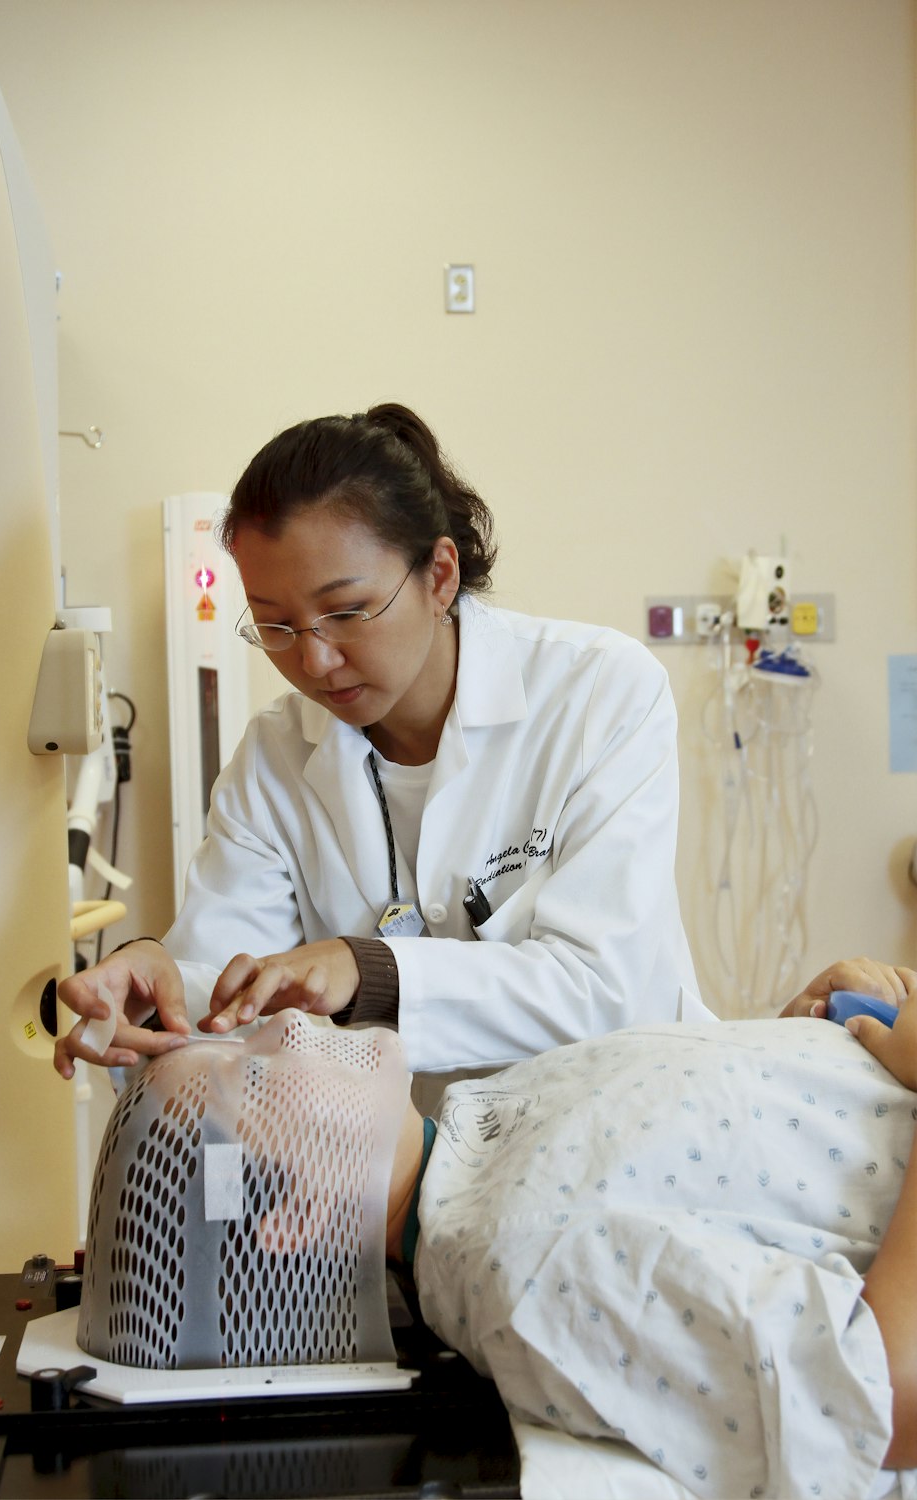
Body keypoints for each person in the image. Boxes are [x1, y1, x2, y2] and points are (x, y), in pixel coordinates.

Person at [56, 402, 712, 1096]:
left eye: (345, 612)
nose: (313, 659)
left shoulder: (599, 692)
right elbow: (231, 993)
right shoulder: (274, 759)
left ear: (440, 576)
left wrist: (367, 970)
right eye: (275, 626)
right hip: (401, 1170)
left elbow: (604, 987)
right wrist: (155, 979)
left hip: (616, 1134)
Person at [382, 956, 917, 1497]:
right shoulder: (530, 1253)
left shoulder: (487, 1146)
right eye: (288, 1057)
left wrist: (809, 1036)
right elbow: (880, 1402)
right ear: (299, 1221)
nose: (297, 1023)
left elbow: (739, 1160)